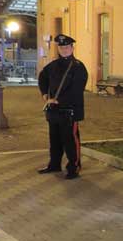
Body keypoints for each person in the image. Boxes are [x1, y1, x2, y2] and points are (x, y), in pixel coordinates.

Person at [37, 34, 89, 180]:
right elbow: (42, 77)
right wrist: (45, 95)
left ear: (72, 48)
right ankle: (54, 164)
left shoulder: (78, 67)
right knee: (54, 140)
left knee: (71, 141)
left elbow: (77, 90)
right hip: (54, 111)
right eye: (61, 47)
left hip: (69, 111)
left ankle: (74, 167)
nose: (64, 49)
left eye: (66, 47)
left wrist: (58, 100)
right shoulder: (53, 65)